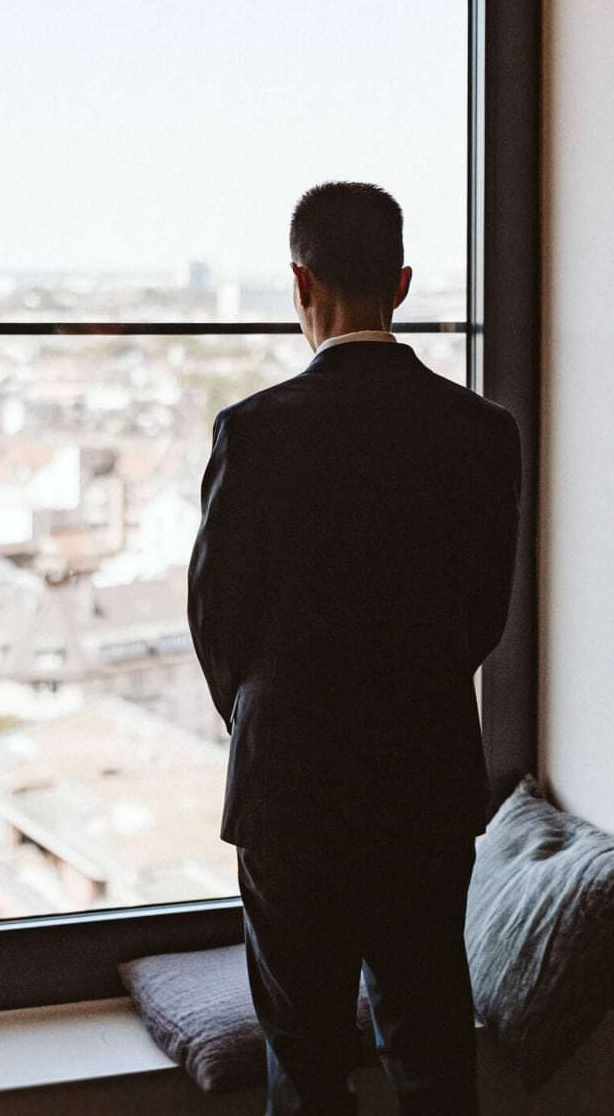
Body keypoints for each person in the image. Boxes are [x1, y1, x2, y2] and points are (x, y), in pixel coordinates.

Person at [189, 181, 520, 1115]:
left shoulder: (255, 432)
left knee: (305, 1065)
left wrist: (268, 713)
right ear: (402, 283)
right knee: (431, 1049)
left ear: (301, 282)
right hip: (424, 778)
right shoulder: (481, 433)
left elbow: (217, 619)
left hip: (290, 788)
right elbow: (483, 617)